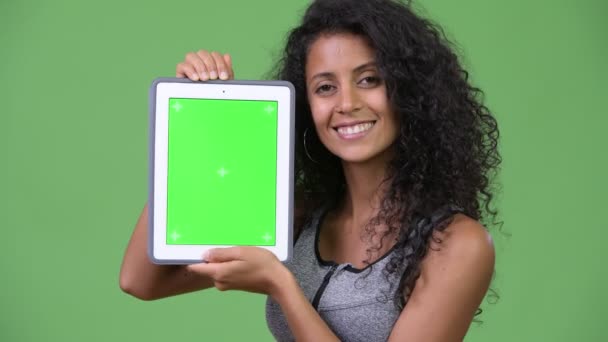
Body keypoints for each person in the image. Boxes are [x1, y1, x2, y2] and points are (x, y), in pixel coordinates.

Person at [119, 0, 501, 341]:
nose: (346, 103)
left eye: (369, 79)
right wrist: (198, 127)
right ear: (305, 106)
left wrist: (282, 284)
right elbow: (140, 280)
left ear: (410, 92)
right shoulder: (300, 214)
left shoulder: (456, 245)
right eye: (324, 87)